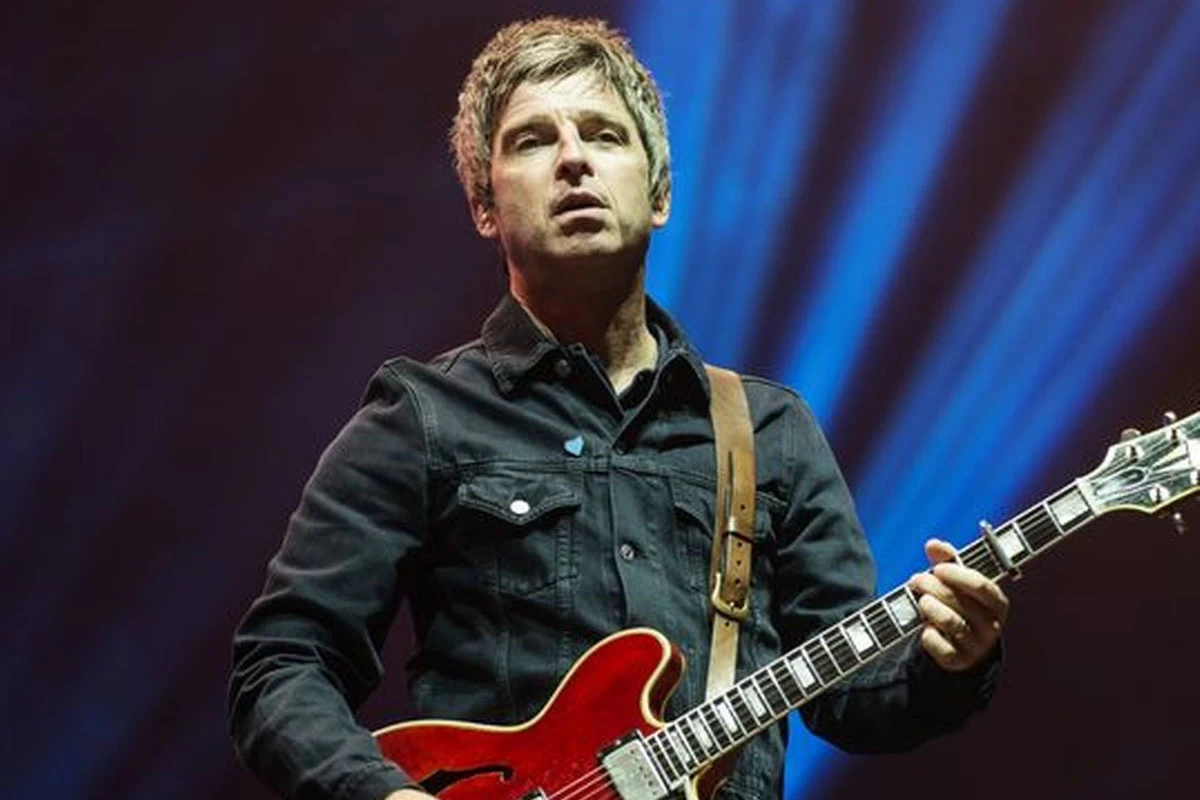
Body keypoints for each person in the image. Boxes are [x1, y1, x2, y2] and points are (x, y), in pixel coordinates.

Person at [229, 16, 1008, 800]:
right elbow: (281, 663)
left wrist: (948, 658)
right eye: (533, 140)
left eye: (603, 134)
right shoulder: (422, 416)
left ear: (659, 194)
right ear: (484, 206)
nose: (573, 159)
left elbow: (856, 703)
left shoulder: (770, 431)